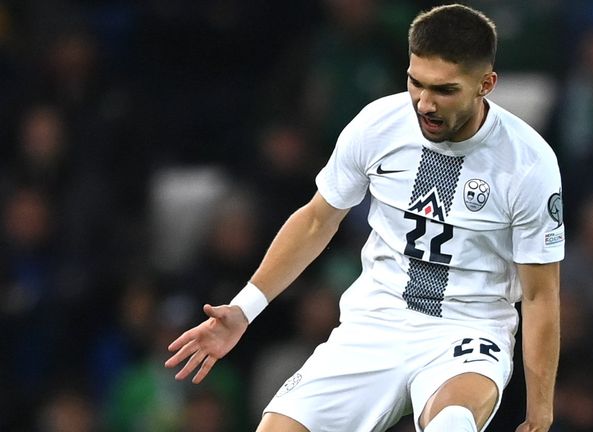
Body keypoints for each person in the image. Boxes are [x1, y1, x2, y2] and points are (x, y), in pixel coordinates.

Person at [165, 4, 563, 431]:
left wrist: (540, 414)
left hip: (468, 331)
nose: (424, 103)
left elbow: (540, 295)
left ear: (486, 84)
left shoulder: (527, 163)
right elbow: (318, 219)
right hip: (375, 323)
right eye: (416, 82)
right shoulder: (378, 125)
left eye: (444, 90)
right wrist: (244, 309)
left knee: (453, 425)